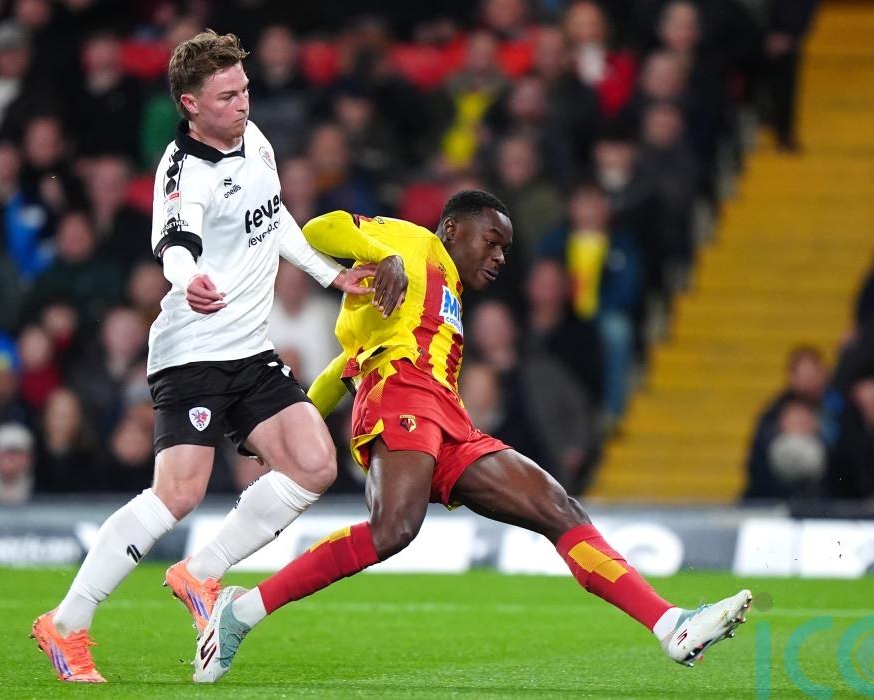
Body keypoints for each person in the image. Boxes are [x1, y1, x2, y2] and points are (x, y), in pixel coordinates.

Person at [190, 191, 751, 684]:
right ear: (453, 228)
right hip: (401, 393)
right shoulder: (412, 242)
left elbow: (345, 364)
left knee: (558, 508)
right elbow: (319, 229)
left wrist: (298, 421)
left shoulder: (446, 291)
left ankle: (669, 624)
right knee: (394, 529)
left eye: (505, 248)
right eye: (492, 241)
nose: (500, 256)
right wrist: (384, 255)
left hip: (449, 419)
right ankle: (240, 614)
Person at [31, 30, 379, 683]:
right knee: (178, 494)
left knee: (314, 464)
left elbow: (273, 218)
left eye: (244, 89)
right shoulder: (182, 170)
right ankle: (66, 623)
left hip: (248, 348)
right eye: (226, 96)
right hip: (193, 349)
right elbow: (176, 243)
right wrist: (187, 279)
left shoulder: (255, 139)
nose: (242, 103)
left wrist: (331, 275)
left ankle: (201, 572)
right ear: (190, 104)